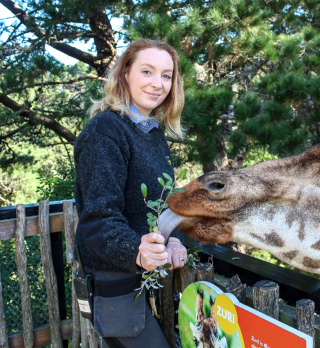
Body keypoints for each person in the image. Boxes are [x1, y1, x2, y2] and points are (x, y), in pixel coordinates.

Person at [74, 39, 187, 348]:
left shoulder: (152, 132)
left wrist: (172, 238)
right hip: (116, 284)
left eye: (166, 75)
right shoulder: (105, 131)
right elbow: (98, 219)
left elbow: (154, 209)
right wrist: (137, 251)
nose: (158, 83)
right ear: (125, 74)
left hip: (149, 280)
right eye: (147, 71)